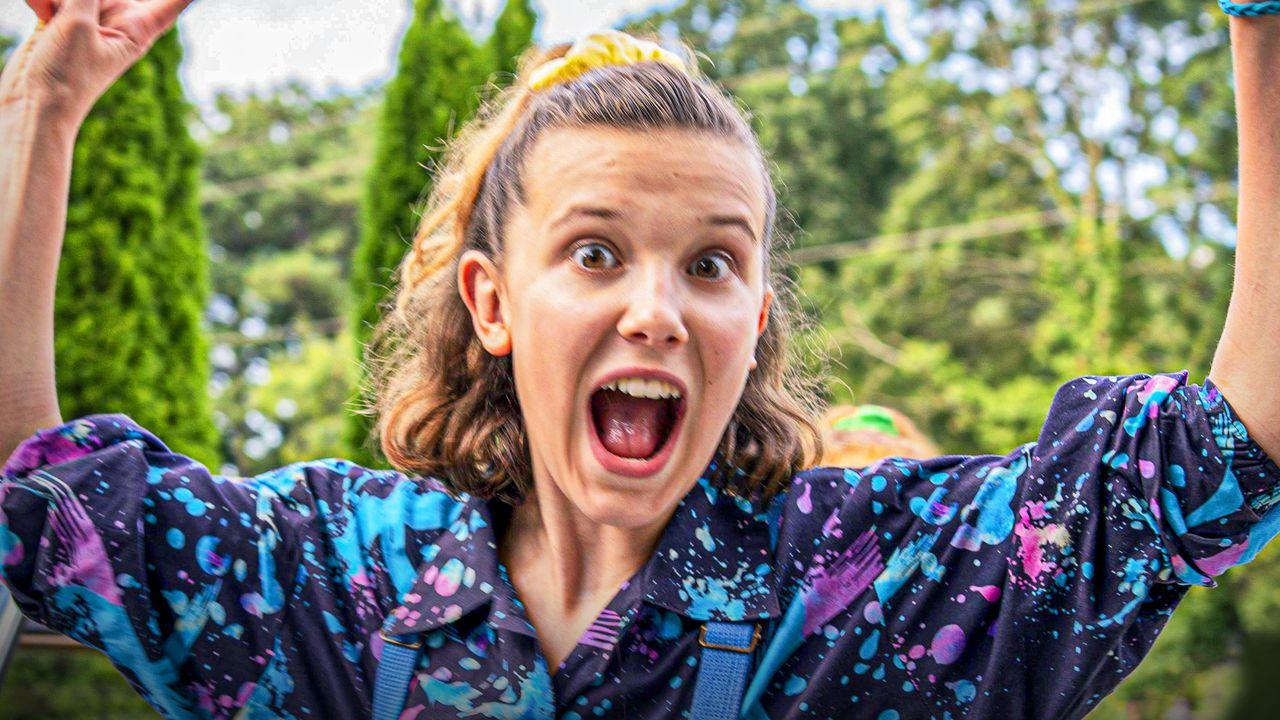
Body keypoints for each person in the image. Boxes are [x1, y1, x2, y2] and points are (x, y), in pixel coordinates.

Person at [1, 1, 1278, 718]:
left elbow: (1228, 456)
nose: (658, 310)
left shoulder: (863, 590)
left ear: (754, 321)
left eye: (711, 263)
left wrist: (1261, 27)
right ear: (492, 302)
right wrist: (39, 108)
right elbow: (37, 503)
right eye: (595, 253)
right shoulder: (336, 579)